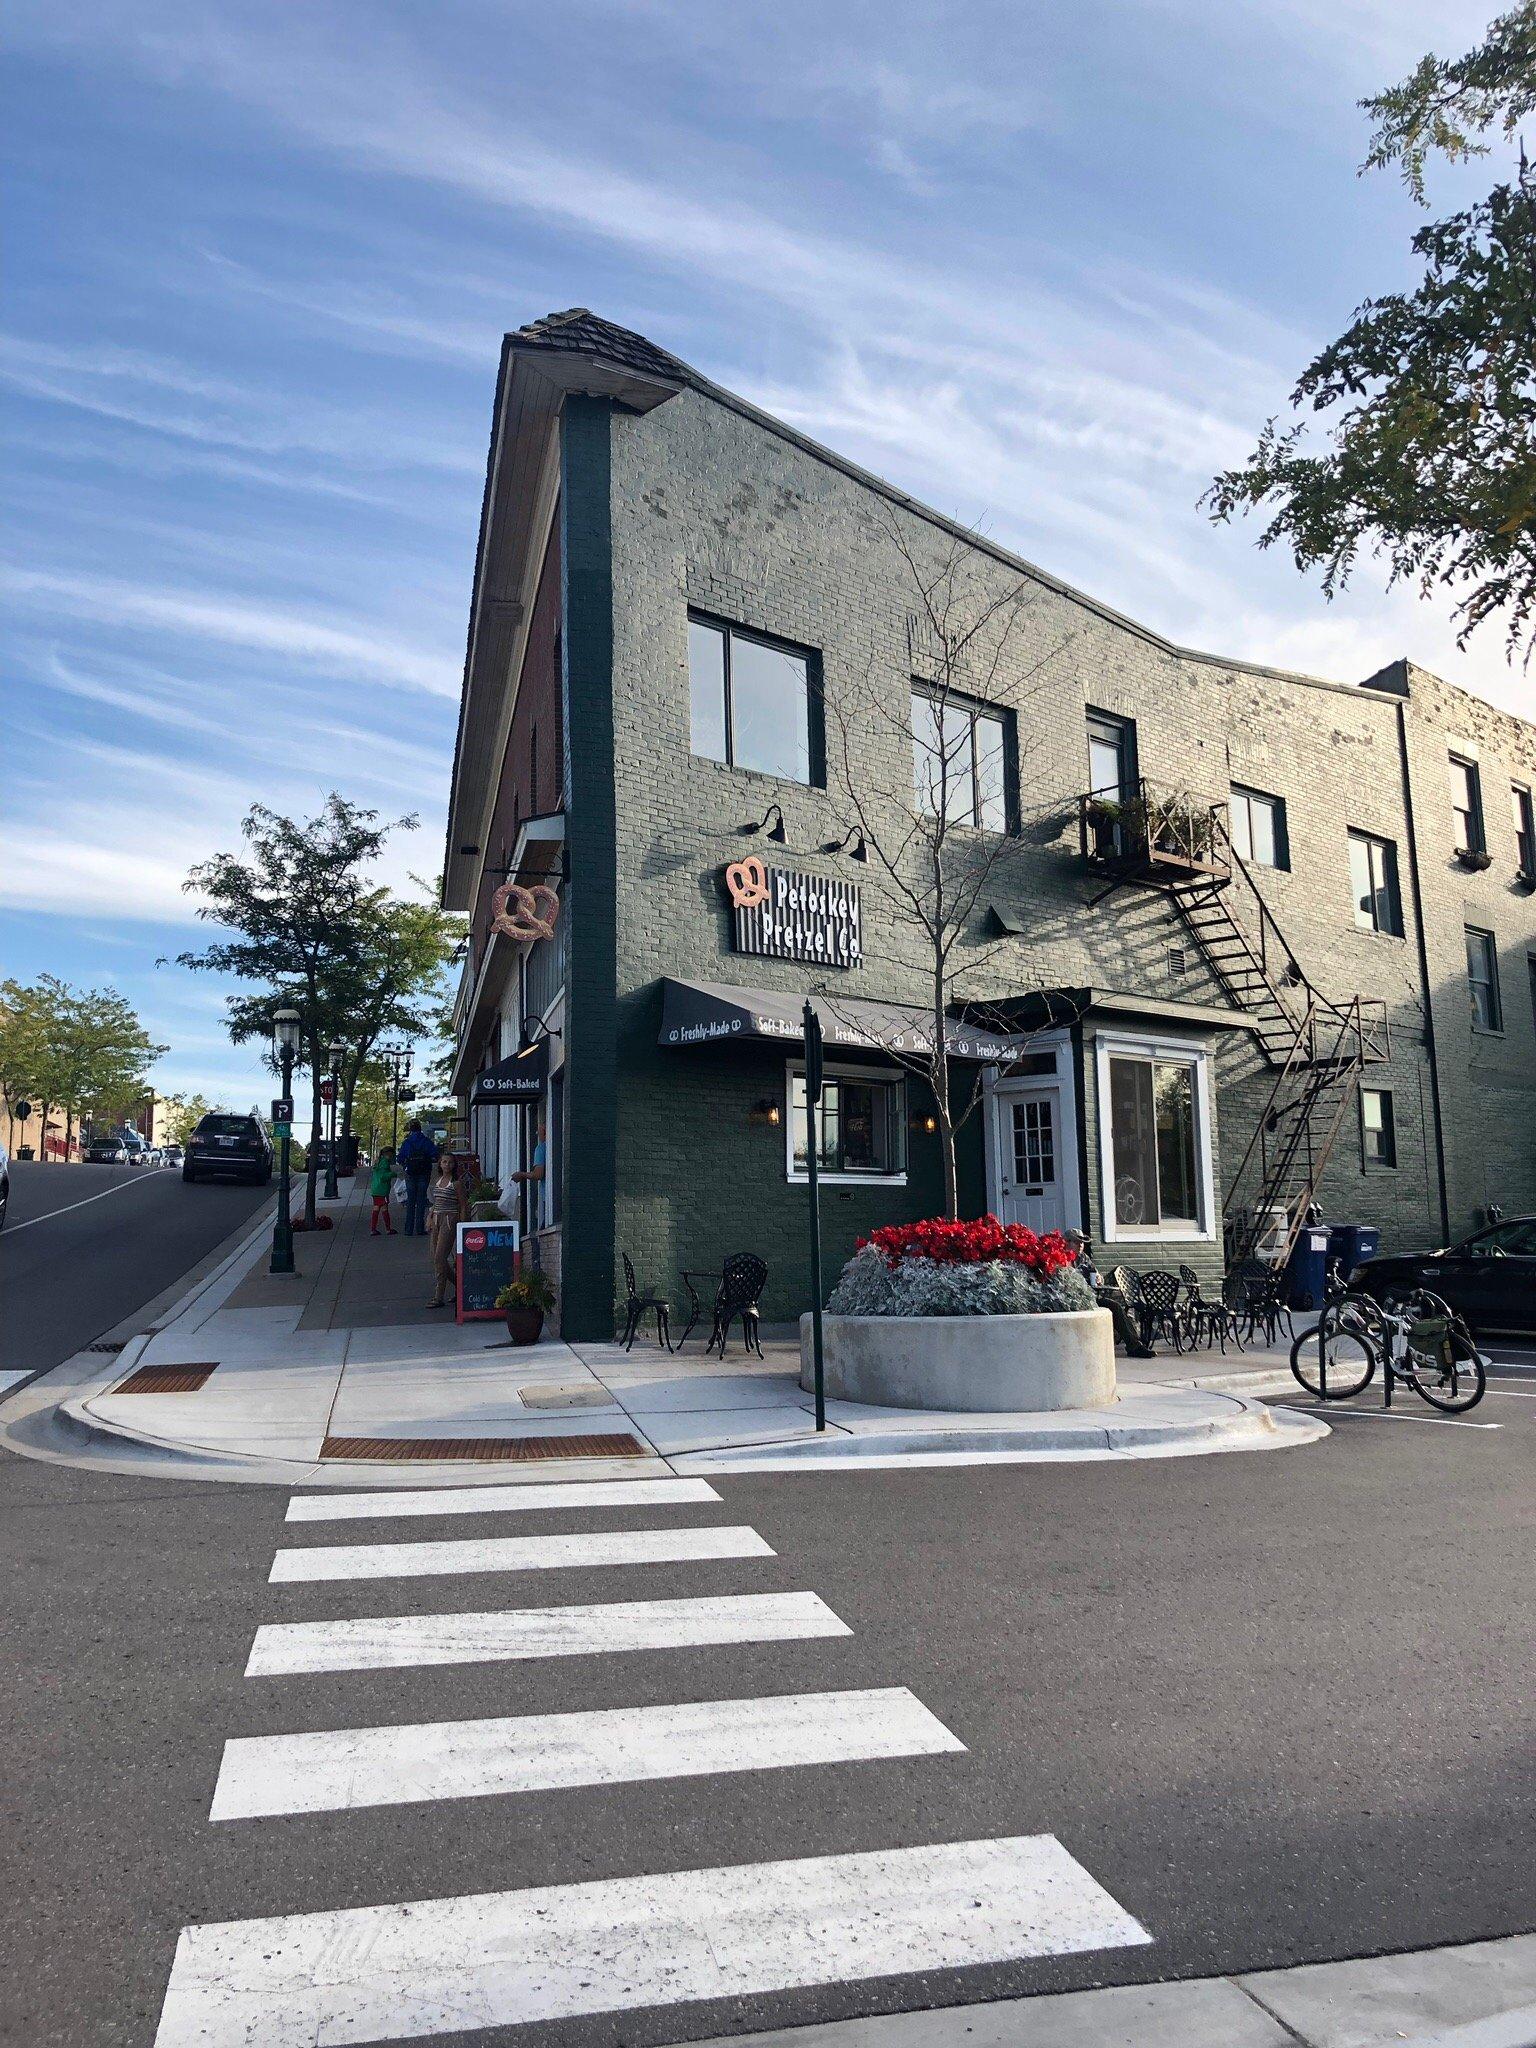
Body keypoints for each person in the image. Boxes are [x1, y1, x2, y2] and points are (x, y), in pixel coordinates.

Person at [1064, 1228, 1156, 1357]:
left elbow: (1095, 1273)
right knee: (1113, 1307)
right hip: (1069, 1300)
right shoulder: (1062, 1259)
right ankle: (1134, 1345)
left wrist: (1098, 1278)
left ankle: (1135, 1345)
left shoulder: (1083, 1258)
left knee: (1116, 1307)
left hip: (1089, 1297)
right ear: (1066, 1242)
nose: (1080, 1245)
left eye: (1082, 1242)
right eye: (1076, 1242)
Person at [425, 1149, 468, 1309]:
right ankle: (459, 1286)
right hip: (436, 1217)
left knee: (440, 1257)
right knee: (436, 1258)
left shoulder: (456, 1183)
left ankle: (438, 1296)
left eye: (450, 1162)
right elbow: (435, 1203)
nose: (447, 1165)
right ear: (440, 1164)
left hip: (450, 1219)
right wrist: (429, 1217)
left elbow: (463, 1205)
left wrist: (463, 1224)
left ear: (454, 1165)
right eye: (444, 1162)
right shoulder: (437, 1180)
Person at [396, 1118, 436, 1236]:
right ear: (420, 1128)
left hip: (411, 1173)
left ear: (410, 1129)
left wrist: (405, 1166)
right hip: (424, 1173)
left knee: (411, 1201)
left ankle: (408, 1229)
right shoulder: (426, 1141)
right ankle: (419, 1228)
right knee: (421, 1200)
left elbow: (400, 1158)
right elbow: (434, 1153)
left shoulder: (407, 1142)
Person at [368, 1146, 396, 1236]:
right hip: (382, 1189)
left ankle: (374, 1228)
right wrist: (393, 1174)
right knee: (383, 1209)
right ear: (389, 1154)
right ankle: (387, 1229)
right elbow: (383, 1176)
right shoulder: (385, 1163)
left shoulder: (378, 1162)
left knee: (377, 1207)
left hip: (375, 1188)